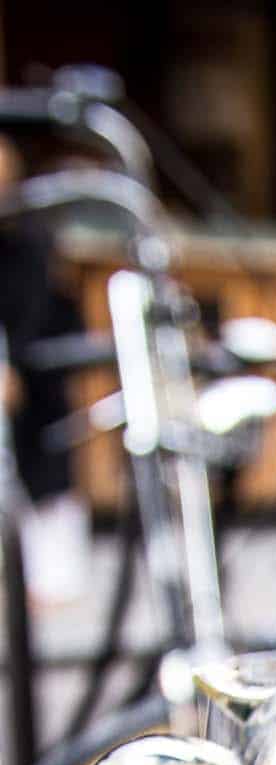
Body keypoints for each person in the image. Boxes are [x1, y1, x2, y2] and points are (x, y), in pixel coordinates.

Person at [0, 134, 89, 607]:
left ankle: (51, 576)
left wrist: (11, 363)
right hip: (18, 367)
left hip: (39, 370)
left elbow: (35, 308)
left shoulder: (30, 235)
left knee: (47, 461)